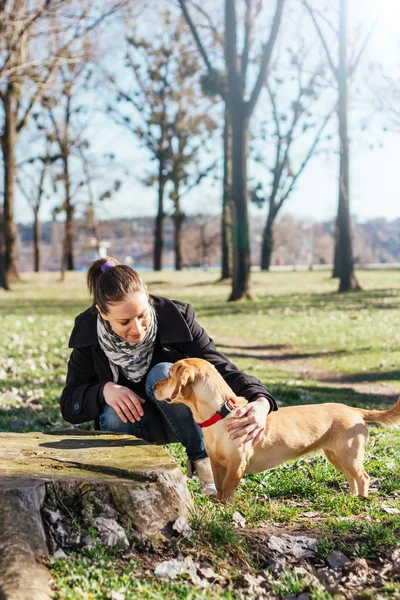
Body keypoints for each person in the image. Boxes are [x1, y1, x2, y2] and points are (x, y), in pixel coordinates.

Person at [60, 257, 278, 496]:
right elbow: (70, 405)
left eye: (142, 315)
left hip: (186, 421)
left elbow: (219, 369)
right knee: (112, 410)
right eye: (124, 322)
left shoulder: (177, 317)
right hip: (130, 425)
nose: (138, 329)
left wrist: (261, 401)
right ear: (102, 312)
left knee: (163, 372)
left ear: (147, 297)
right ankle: (129, 477)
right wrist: (104, 390)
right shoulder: (88, 331)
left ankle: (203, 465)